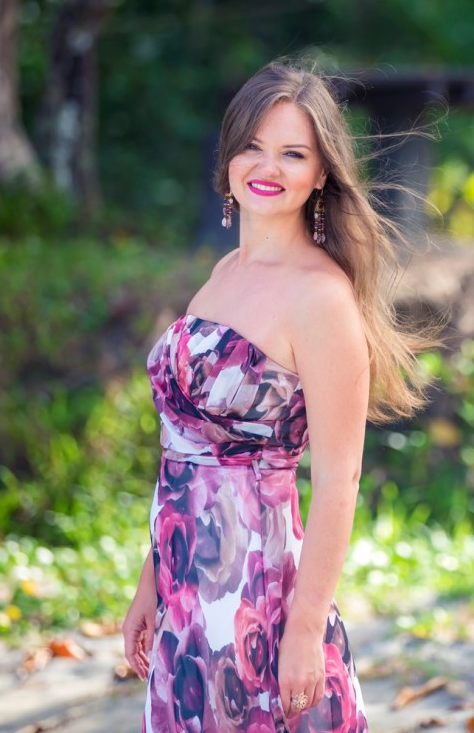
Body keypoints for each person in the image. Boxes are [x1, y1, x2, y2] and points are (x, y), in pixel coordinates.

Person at [121, 60, 431, 732]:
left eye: (293, 153)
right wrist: (151, 584)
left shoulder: (321, 299)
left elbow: (341, 479)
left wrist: (305, 629)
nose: (268, 167)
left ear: (321, 173)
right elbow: (186, 455)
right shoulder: (223, 272)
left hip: (256, 594)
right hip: (185, 588)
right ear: (228, 157)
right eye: (253, 146)